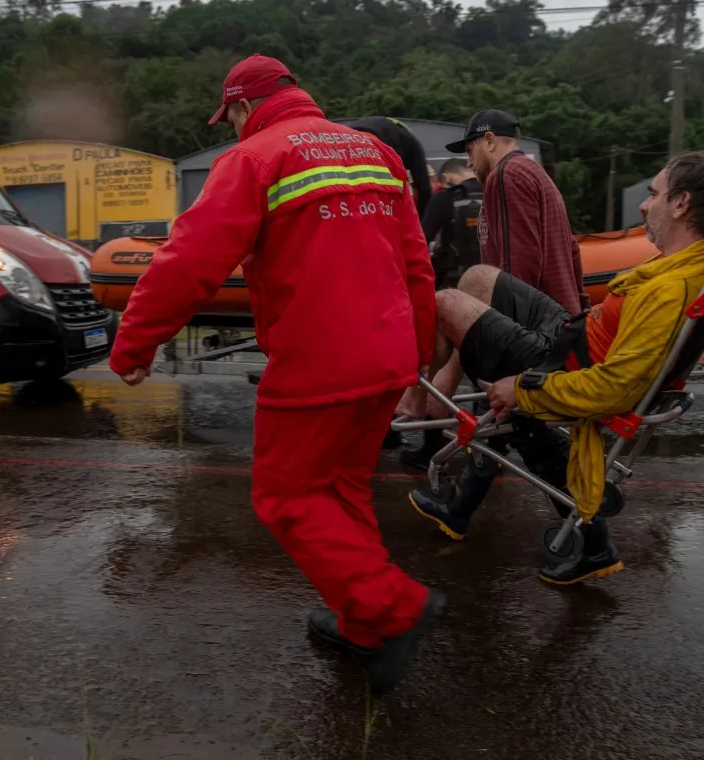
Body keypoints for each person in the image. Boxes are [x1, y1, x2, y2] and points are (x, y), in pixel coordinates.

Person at [108, 54, 446, 696]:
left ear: (239, 107)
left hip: (318, 360)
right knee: (341, 492)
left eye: (230, 115)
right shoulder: (377, 153)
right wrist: (419, 351)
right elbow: (416, 263)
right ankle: (362, 625)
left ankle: (395, 609)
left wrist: (134, 343)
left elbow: (187, 262)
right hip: (387, 355)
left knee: (286, 498)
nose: (233, 125)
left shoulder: (254, 158)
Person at [406, 151, 704, 584]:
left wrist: (523, 390)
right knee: (476, 278)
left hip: (566, 364)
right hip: (572, 336)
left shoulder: (671, 289)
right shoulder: (692, 262)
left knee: (446, 304)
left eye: (653, 194)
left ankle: (420, 409)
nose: (643, 204)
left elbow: (614, 387)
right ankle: (459, 500)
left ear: (681, 204)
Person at [398, 109, 588, 469]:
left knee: (451, 300)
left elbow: (516, 273)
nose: (468, 161)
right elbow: (573, 252)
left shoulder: (507, 176)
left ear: (489, 141)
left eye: (470, 149)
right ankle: (428, 407)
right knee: (496, 418)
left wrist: (464, 355)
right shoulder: (538, 176)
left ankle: (418, 396)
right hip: (559, 326)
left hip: (535, 335)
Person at [347, 116, 434, 217]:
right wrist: (421, 220)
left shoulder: (398, 135)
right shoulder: (411, 143)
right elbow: (424, 188)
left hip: (346, 140)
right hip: (376, 142)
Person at [421, 158, 483, 290]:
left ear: (446, 177)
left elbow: (421, 241)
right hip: (493, 278)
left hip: (454, 281)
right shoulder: (493, 191)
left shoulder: (443, 197)